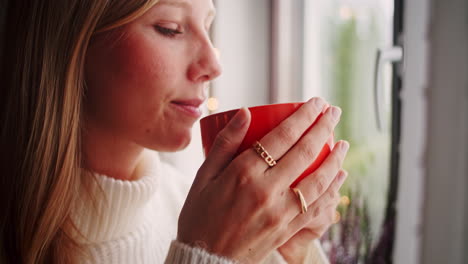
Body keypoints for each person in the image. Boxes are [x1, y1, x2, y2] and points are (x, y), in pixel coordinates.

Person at [0, 0, 349, 263]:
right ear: (70, 44)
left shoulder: (203, 208)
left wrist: (288, 253)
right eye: (170, 28)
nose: (214, 65)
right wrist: (206, 255)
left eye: (208, 27)